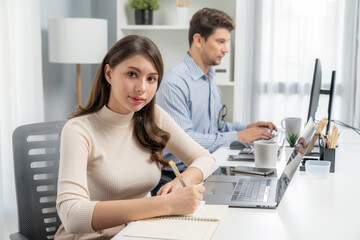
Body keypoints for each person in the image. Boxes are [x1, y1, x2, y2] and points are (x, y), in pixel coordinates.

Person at [55, 35, 216, 239]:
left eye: (151, 79)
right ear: (109, 73)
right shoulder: (78, 130)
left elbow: (206, 158)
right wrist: (164, 205)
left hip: (140, 233)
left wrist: (181, 181)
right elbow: (72, 216)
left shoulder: (153, 116)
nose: (142, 88)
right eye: (132, 74)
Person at [154, 8, 277, 188]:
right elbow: (184, 139)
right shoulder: (174, 84)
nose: (226, 49)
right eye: (220, 41)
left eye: (226, 42)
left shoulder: (209, 77)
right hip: (177, 179)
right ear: (198, 40)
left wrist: (247, 128)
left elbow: (214, 127)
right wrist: (239, 135)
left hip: (208, 169)